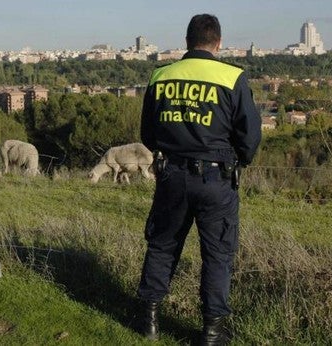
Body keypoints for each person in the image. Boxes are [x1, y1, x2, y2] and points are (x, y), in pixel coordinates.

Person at [137, 14, 262, 345]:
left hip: (171, 176)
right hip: (216, 179)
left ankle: (149, 320)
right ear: (218, 43)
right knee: (217, 254)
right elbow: (249, 136)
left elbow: (148, 133)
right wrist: (240, 160)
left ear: (187, 41)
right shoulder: (232, 77)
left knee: (163, 245)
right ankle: (211, 331)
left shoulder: (161, 75)